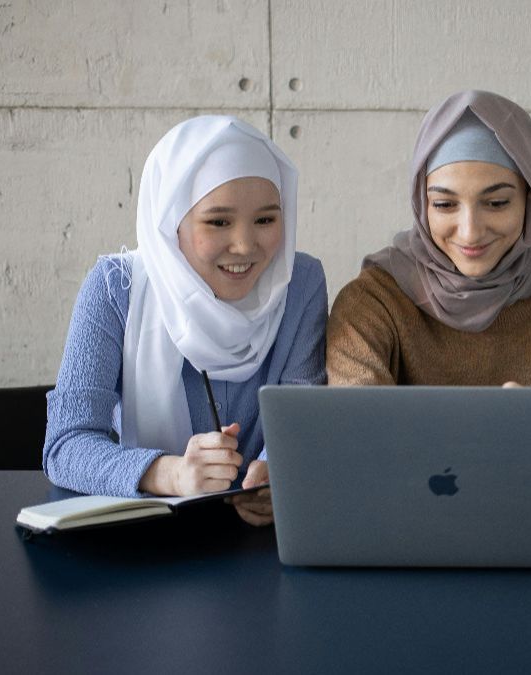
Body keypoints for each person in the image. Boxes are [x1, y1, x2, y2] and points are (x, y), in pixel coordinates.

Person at [44, 116, 327, 526]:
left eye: (266, 220)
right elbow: (65, 447)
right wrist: (172, 473)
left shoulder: (299, 283)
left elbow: (305, 415)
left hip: (259, 547)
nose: (246, 245)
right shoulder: (115, 288)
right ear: (170, 220)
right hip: (145, 546)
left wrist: (278, 473)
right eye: (218, 221)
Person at [326, 90, 531, 386]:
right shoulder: (375, 300)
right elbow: (358, 426)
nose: (470, 232)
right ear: (422, 205)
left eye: (497, 203)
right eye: (445, 205)